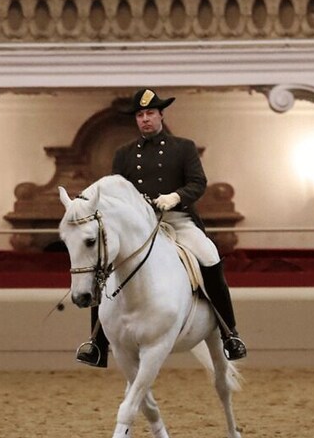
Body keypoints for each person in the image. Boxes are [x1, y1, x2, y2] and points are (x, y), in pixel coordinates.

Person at [75, 88, 247, 367]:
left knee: (210, 257)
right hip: (141, 227)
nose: (145, 119)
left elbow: (197, 183)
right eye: (140, 115)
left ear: (161, 116)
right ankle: (97, 343)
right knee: (104, 266)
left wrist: (175, 197)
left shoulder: (183, 147)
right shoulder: (125, 154)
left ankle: (230, 333)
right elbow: (116, 190)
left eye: (150, 113)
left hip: (178, 221)